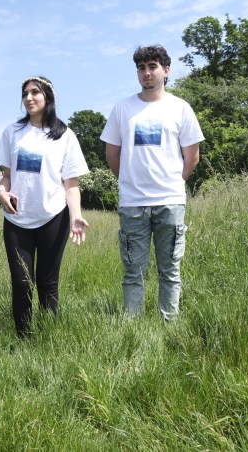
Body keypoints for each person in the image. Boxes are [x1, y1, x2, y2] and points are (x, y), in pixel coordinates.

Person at [100, 45, 204, 321]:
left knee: (170, 270)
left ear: (166, 70)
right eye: (141, 68)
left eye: (152, 67)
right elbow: (112, 155)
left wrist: (174, 183)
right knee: (132, 271)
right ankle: (132, 327)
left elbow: (192, 157)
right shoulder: (122, 109)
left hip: (170, 202)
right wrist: (129, 181)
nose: (146, 73)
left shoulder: (180, 108)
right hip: (133, 203)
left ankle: (169, 324)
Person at [0, 76, 90, 338]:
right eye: (25, 93)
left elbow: (71, 184)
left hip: (53, 217)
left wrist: (76, 215)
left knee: (48, 283)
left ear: (48, 96)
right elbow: (6, 176)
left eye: (35, 92)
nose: (29, 98)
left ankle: (48, 339)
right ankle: (23, 340)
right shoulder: (12, 132)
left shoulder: (65, 135)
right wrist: (1, 193)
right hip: (16, 219)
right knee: (22, 283)